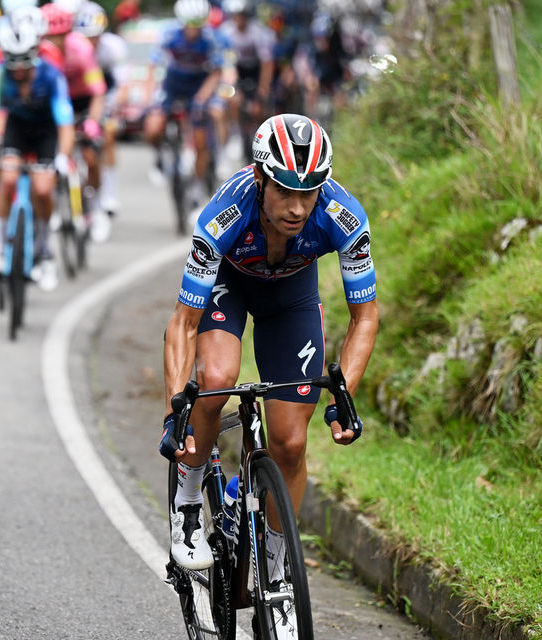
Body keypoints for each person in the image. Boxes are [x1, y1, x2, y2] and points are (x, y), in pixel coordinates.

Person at [158, 114, 378, 632]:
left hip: (291, 297)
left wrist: (344, 395)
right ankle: (189, 502)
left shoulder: (343, 217)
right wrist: (176, 408)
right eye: (285, 191)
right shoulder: (223, 215)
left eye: (310, 192)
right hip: (229, 286)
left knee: (290, 443)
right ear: (260, 179)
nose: (299, 206)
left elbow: (364, 316)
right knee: (215, 380)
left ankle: (276, 576)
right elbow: (182, 323)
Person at [0, 7, 76, 292]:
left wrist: (61, 157)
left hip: (46, 131)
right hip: (16, 129)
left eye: (25, 64)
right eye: (13, 64)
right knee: (6, 178)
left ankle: (45, 252)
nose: (19, 70)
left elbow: (65, 122)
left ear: (36, 57)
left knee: (43, 189)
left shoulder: (51, 75)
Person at [143, 0, 224, 212]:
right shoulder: (169, 34)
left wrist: (201, 99)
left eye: (197, 24)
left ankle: (197, 187)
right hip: (173, 84)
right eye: (189, 24)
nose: (193, 30)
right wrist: (150, 98)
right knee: (152, 127)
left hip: (198, 84)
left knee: (200, 140)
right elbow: (153, 65)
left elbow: (216, 72)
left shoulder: (210, 38)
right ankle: (160, 158)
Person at [41, 2, 111, 242]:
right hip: (54, 104)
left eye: (62, 35)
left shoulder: (81, 49)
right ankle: (55, 202)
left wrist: (92, 121)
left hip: (82, 100)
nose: (57, 42)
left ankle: (97, 207)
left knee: (91, 157)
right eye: (51, 36)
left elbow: (98, 91)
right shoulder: (38, 52)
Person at [74, 1, 128, 221]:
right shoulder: (74, 48)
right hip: (81, 96)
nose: (92, 42)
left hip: (107, 95)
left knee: (108, 135)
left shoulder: (113, 47)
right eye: (87, 37)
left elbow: (123, 85)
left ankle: (108, 193)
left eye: (95, 36)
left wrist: (112, 109)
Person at [219, 0, 275, 162]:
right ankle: (236, 133)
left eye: (242, 16)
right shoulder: (226, 33)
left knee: (260, 108)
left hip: (256, 71)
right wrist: (232, 87)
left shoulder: (258, 33)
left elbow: (267, 64)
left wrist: (263, 89)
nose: (239, 20)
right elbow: (227, 63)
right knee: (230, 98)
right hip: (236, 70)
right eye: (236, 16)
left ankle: (264, 139)